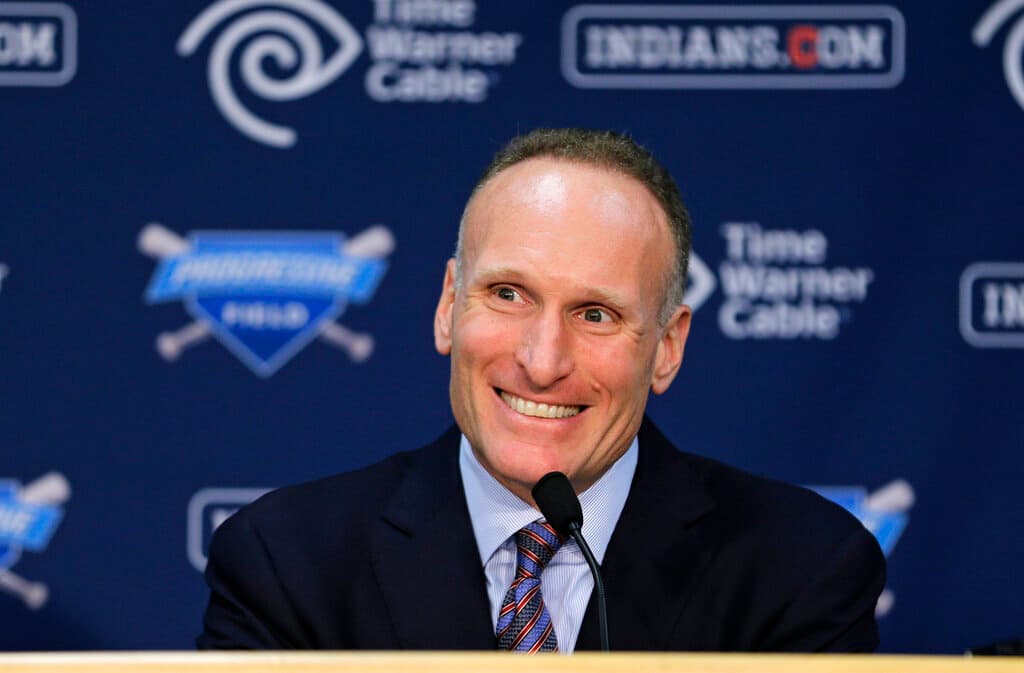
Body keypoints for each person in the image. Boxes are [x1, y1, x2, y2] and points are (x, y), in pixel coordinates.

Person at [198, 128, 885, 652]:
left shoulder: (800, 567)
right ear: (448, 305)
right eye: (507, 293)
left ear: (668, 346)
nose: (543, 359)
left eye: (596, 314)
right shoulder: (286, 560)